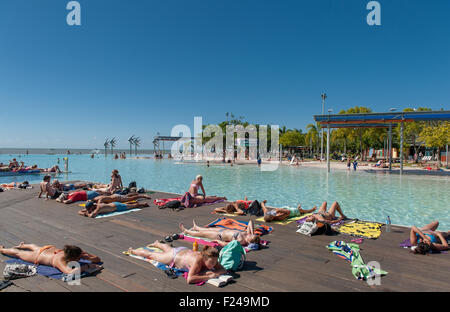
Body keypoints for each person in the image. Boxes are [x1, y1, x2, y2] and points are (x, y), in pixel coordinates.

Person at [127, 242, 227, 284]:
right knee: (151, 255)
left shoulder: (211, 257)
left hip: (183, 251)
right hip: (173, 257)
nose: (214, 264)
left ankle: (157, 243)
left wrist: (216, 273)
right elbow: (190, 279)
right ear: (204, 258)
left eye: (215, 262)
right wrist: (209, 276)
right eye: (212, 262)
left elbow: (223, 269)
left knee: (168, 248)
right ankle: (133, 251)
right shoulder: (198, 262)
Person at [0, 243, 102, 275]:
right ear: (72, 258)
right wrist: (87, 266)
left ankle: (23, 245)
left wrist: (89, 256)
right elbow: (69, 272)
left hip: (47, 249)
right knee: (18, 253)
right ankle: (2, 249)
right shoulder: (60, 260)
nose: (82, 258)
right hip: (39, 256)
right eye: (79, 257)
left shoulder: (76, 252)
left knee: (33, 247)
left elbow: (98, 259)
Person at [179, 220, 260, 247]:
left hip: (219, 236)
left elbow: (227, 245)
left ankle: (186, 231)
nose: (251, 235)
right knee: (208, 229)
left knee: (202, 234)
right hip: (222, 230)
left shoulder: (241, 241)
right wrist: (252, 233)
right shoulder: (248, 234)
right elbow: (250, 222)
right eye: (253, 235)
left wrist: (218, 242)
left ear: (249, 241)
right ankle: (196, 227)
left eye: (251, 236)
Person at [78, 201, 150, 218]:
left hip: (117, 206)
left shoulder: (98, 207)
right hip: (113, 204)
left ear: (92, 207)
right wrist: (86, 212)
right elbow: (79, 211)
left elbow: (92, 216)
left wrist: (85, 213)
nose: (88, 210)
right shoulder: (92, 207)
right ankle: (134, 202)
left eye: (89, 209)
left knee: (133, 206)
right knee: (129, 205)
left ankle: (143, 204)